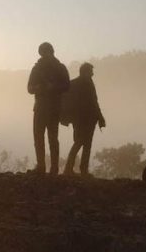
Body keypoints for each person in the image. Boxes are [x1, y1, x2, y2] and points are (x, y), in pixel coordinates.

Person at [27, 42, 70, 174]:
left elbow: (67, 86)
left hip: (52, 108)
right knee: (39, 138)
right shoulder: (37, 69)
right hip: (41, 107)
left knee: (52, 138)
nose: (45, 55)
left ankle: (54, 168)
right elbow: (29, 88)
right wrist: (39, 88)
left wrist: (53, 87)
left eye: (46, 52)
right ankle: (41, 166)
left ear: (51, 52)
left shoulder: (60, 68)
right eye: (43, 53)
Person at [63, 62, 106, 176]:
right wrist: (100, 118)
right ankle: (76, 169)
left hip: (83, 119)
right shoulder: (84, 84)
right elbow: (94, 102)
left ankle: (78, 169)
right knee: (82, 143)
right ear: (85, 72)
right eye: (91, 71)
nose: (92, 74)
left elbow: (93, 102)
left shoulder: (75, 83)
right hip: (84, 119)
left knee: (82, 143)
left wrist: (100, 118)